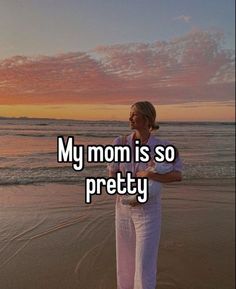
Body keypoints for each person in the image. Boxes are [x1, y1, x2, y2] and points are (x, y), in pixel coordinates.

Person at [107, 101, 183, 289]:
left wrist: (150, 174)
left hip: (149, 211)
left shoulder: (162, 146)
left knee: (144, 263)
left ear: (147, 118)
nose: (130, 118)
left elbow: (177, 175)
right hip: (123, 207)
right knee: (125, 260)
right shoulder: (120, 142)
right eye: (130, 114)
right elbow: (113, 173)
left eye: (134, 114)